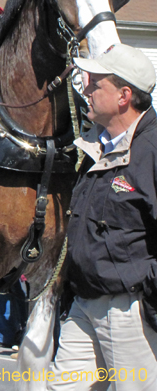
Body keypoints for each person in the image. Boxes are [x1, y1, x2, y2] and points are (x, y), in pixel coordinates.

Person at [49, 44, 157, 390]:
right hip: (83, 304)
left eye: (96, 82)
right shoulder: (96, 147)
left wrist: (145, 294)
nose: (85, 88)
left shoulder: (152, 150)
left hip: (131, 310)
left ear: (124, 95)